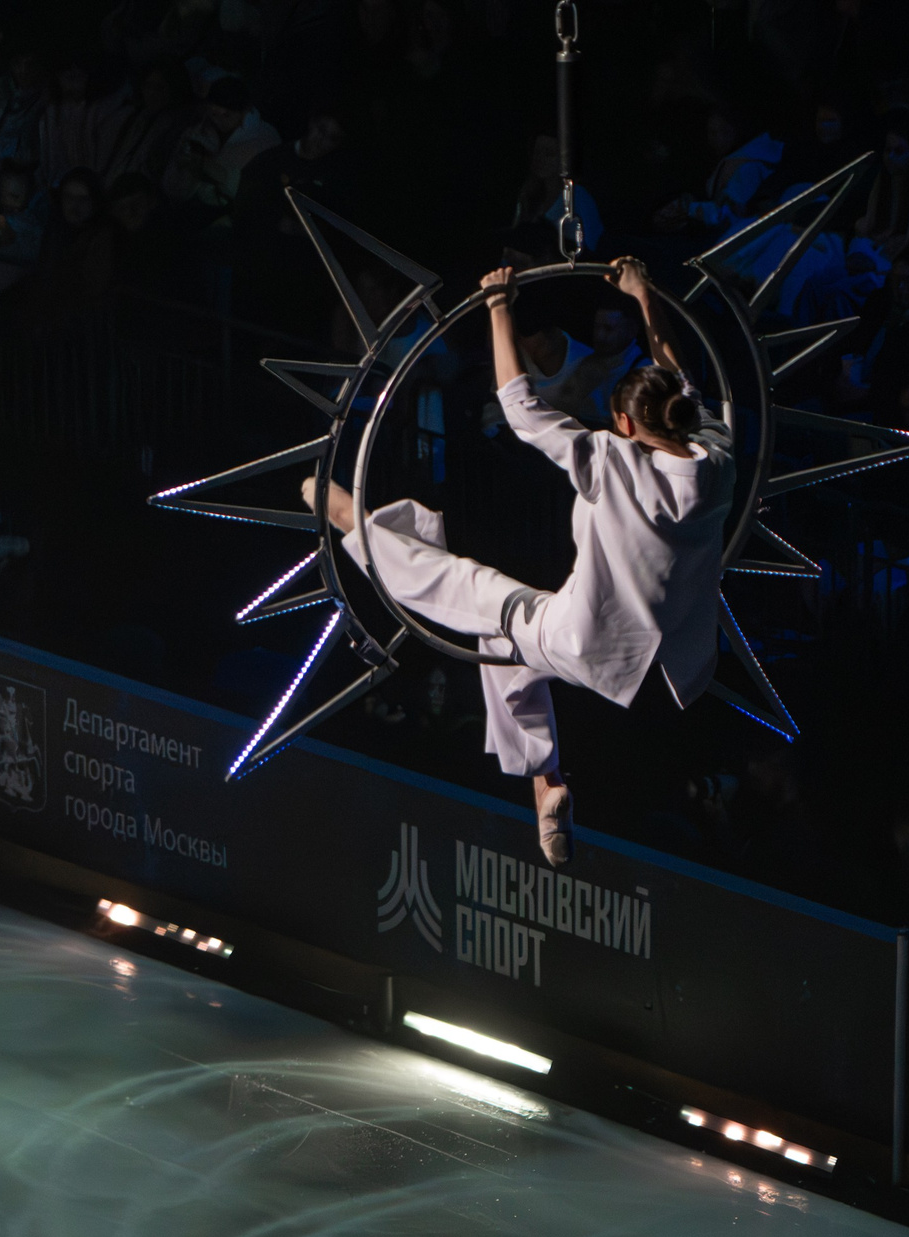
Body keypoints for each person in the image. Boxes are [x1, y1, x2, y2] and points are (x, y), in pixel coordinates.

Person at [304, 259, 735, 866]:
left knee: (475, 597)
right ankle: (541, 780)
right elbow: (678, 374)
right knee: (503, 631)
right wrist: (645, 296)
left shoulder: (610, 460)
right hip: (677, 669)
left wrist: (498, 305)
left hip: (583, 643)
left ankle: (367, 531)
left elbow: (518, 406)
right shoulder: (716, 460)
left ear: (623, 422)